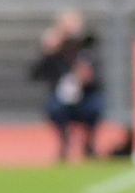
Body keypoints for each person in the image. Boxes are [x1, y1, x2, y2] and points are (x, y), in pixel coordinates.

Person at [29, 9, 103, 162]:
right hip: (62, 100)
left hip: (85, 97)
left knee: (96, 106)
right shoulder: (54, 54)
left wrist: (87, 77)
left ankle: (89, 144)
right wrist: (48, 52)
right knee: (54, 107)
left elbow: (97, 79)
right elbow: (35, 74)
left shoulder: (87, 50)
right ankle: (64, 143)